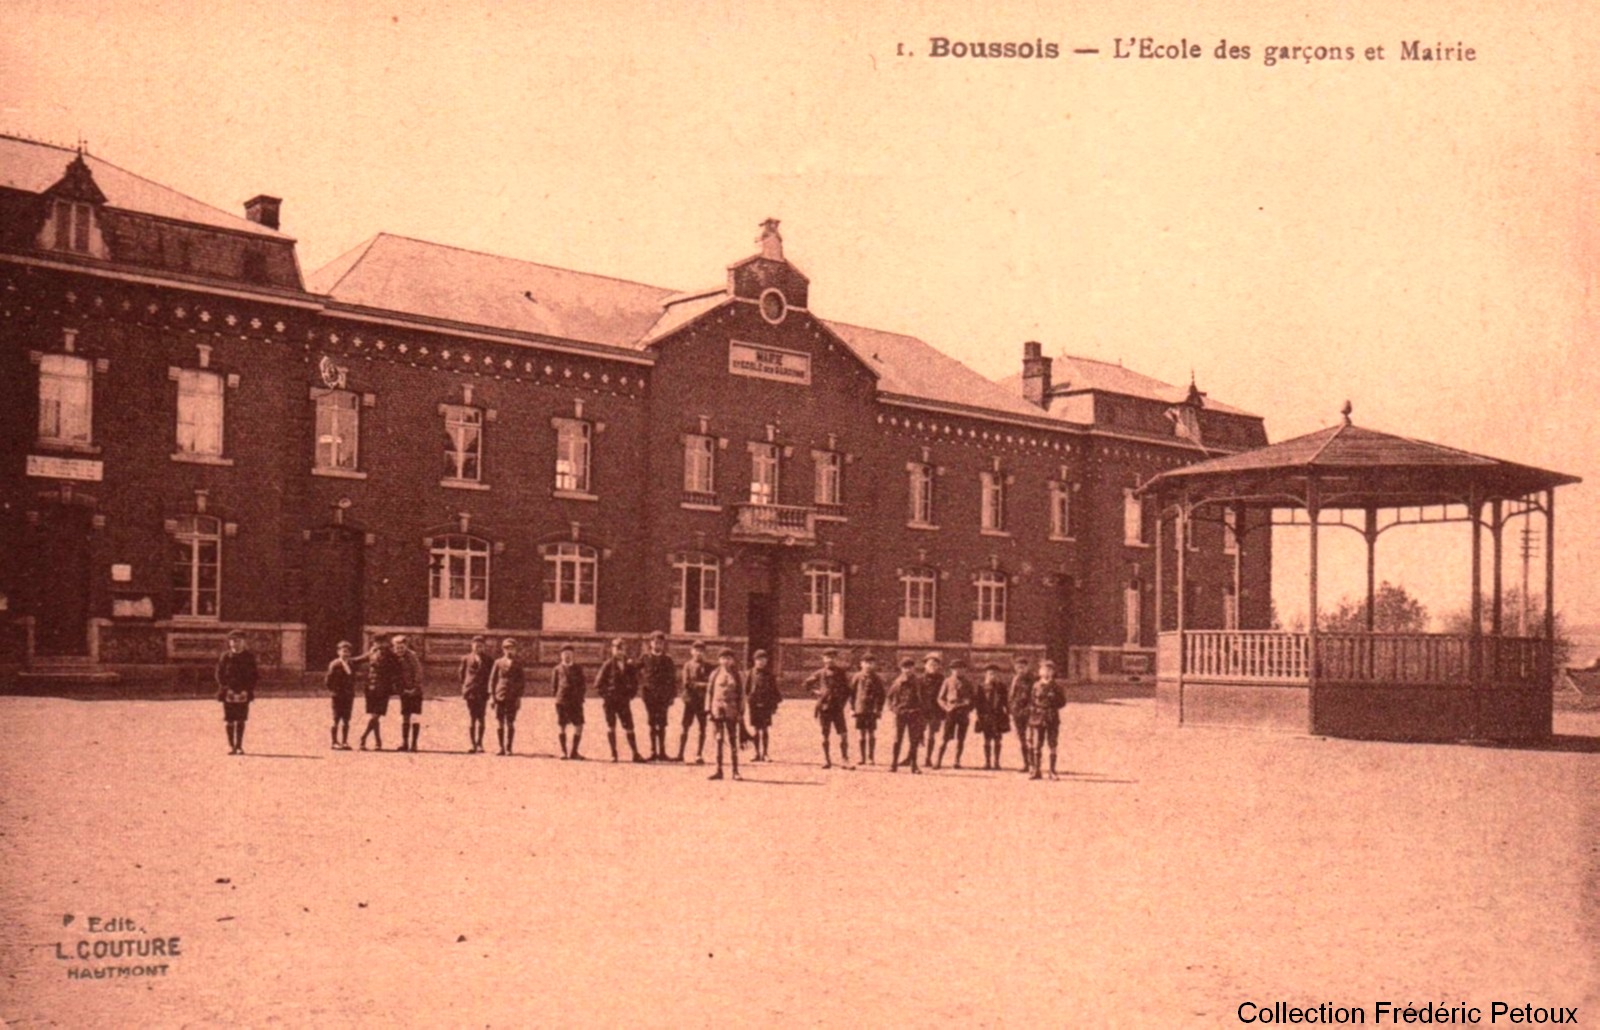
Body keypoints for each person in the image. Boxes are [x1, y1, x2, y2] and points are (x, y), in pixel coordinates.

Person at [595, 637, 647, 763]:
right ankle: (614, 754)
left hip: (624, 701)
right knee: (611, 726)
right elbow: (598, 684)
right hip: (610, 702)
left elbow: (635, 682)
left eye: (622, 649)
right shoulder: (607, 664)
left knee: (629, 726)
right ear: (612, 650)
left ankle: (635, 753)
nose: (619, 652)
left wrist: (631, 694)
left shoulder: (629, 665)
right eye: (617, 649)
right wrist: (607, 696)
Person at [805, 649, 853, 769]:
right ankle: (826, 760)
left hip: (837, 708)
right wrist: (816, 693)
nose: (830, 660)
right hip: (825, 708)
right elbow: (806, 684)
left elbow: (848, 690)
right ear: (823, 659)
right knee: (824, 735)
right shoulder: (820, 673)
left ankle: (845, 760)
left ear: (836, 659)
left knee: (843, 734)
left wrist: (842, 702)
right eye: (827, 657)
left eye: (833, 657)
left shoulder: (841, 673)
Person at [216, 629, 258, 755]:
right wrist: (225, 688)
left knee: (241, 719)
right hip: (228, 692)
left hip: (243, 692)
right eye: (233, 641)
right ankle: (231, 745)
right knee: (229, 719)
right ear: (229, 643)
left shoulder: (249, 657)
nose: (235, 643)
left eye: (239, 641)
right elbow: (219, 674)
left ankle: (239, 746)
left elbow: (254, 676)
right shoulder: (225, 657)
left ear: (244, 642)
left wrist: (247, 690)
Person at [636, 631, 677, 761]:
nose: (657, 645)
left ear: (663, 644)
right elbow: (634, 671)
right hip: (649, 696)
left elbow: (673, 679)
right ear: (651, 643)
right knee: (652, 723)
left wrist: (672, 696)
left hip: (663, 697)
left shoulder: (668, 659)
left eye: (660, 642)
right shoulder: (645, 658)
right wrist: (642, 685)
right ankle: (653, 751)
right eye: (655, 642)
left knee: (663, 723)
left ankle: (663, 752)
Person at [706, 648, 744, 781]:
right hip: (717, 710)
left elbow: (741, 695)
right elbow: (709, 692)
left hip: (732, 710)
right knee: (718, 740)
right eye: (723, 658)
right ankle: (718, 770)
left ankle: (735, 771)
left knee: (733, 740)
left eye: (729, 658)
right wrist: (708, 710)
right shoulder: (715, 674)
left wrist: (741, 712)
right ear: (719, 660)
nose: (726, 661)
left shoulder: (737, 675)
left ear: (733, 660)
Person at [1029, 658, 1068, 781]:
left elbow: (1062, 702)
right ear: (1040, 672)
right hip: (1038, 717)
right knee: (1037, 744)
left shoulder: (1056, 687)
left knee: (1052, 743)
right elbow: (1032, 700)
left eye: (1049, 670)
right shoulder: (1036, 686)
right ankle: (1036, 770)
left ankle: (1052, 770)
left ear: (1053, 672)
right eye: (1044, 669)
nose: (1046, 672)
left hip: (1051, 716)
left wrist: (1052, 703)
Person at [324, 640, 367, 750]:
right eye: (343, 651)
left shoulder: (351, 663)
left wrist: (373, 650)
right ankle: (334, 741)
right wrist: (334, 691)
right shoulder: (335, 664)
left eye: (348, 652)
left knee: (346, 719)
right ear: (338, 652)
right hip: (338, 695)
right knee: (336, 719)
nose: (345, 654)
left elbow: (363, 659)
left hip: (349, 695)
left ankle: (344, 741)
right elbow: (328, 681)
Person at [359, 635, 400, 751]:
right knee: (374, 716)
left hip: (384, 689)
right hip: (371, 688)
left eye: (382, 642)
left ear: (386, 643)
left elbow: (397, 672)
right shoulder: (372, 652)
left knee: (376, 715)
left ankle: (365, 737)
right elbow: (359, 659)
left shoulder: (391, 656)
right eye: (377, 642)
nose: (380, 645)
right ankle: (377, 742)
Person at [935, 656, 976, 769]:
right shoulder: (947, 681)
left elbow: (973, 699)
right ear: (951, 670)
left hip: (963, 713)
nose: (958, 671)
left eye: (961, 668)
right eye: (955, 669)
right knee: (945, 737)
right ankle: (938, 761)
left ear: (965, 670)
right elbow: (940, 698)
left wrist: (968, 708)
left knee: (961, 738)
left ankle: (956, 761)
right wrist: (946, 707)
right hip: (951, 712)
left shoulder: (968, 683)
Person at [885, 656, 924, 774]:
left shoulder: (918, 682)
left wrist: (920, 711)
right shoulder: (897, 682)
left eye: (910, 667)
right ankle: (893, 764)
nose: (908, 670)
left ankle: (914, 765)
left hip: (914, 713)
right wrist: (893, 709)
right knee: (897, 739)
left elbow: (923, 698)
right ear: (901, 669)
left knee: (914, 740)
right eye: (905, 668)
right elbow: (889, 697)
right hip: (900, 714)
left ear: (914, 668)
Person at [675, 640, 712, 764]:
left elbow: (712, 684)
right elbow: (686, 683)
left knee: (702, 728)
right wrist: (703, 685)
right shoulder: (687, 665)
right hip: (690, 701)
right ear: (692, 652)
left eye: (701, 651)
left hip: (703, 702)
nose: (699, 653)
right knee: (685, 727)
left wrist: (700, 685)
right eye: (696, 650)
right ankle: (680, 753)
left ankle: (699, 754)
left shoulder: (709, 667)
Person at [489, 637, 526, 755]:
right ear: (503, 650)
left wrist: (519, 697)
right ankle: (501, 748)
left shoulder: (518, 663)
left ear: (515, 650)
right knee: (499, 722)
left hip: (513, 696)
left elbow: (522, 682)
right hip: (500, 695)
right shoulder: (498, 662)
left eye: (512, 648)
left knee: (510, 722)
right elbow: (492, 680)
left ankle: (509, 748)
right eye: (507, 648)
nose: (509, 651)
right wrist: (492, 696)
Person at [849, 652, 886, 766]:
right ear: (861, 664)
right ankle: (862, 757)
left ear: (874, 665)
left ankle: (871, 757)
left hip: (872, 710)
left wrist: (879, 709)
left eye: (871, 663)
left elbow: (882, 695)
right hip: (860, 708)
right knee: (861, 733)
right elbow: (852, 693)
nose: (868, 666)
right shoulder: (857, 677)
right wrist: (852, 708)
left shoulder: (877, 678)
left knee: (871, 733)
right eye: (866, 663)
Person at [552, 643, 588, 760]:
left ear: (573, 655)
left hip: (576, 701)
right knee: (562, 725)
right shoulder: (557, 669)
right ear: (561, 655)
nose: (567, 656)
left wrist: (580, 697)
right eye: (565, 654)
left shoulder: (578, 668)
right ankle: (563, 751)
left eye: (569, 654)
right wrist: (558, 698)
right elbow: (554, 686)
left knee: (579, 725)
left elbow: (583, 684)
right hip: (562, 701)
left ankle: (574, 752)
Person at [458, 635, 493, 753]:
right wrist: (467, 686)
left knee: (481, 717)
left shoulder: (489, 660)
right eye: (476, 645)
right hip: (471, 692)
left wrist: (489, 690)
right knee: (472, 718)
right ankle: (472, 744)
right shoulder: (466, 659)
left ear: (484, 647)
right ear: (472, 646)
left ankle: (480, 743)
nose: (478, 648)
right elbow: (462, 675)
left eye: (481, 646)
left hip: (483, 692)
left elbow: (491, 677)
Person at [745, 649, 780, 762]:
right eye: (758, 659)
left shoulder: (770, 675)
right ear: (754, 661)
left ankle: (765, 753)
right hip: (754, 705)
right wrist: (749, 700)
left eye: (763, 659)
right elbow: (746, 689)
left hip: (766, 705)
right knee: (755, 730)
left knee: (764, 729)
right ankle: (756, 753)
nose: (761, 662)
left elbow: (775, 691)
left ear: (766, 661)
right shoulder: (750, 673)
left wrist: (774, 706)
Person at [393, 634, 426, 753]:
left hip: (415, 691)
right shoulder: (395, 657)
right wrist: (401, 689)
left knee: (414, 717)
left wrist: (414, 688)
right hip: (404, 691)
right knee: (405, 717)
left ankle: (414, 744)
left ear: (405, 646)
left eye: (401, 647)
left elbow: (418, 673)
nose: (399, 650)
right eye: (397, 648)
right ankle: (404, 743)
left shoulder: (412, 656)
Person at [974, 663, 1009, 770]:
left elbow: (1006, 701)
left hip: (998, 715)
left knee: (998, 739)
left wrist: (1007, 714)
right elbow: (978, 702)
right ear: (986, 674)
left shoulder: (1002, 687)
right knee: (987, 739)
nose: (992, 676)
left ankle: (997, 762)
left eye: (995, 674)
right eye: (990, 673)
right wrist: (979, 716)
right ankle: (987, 762)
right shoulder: (981, 686)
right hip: (986, 716)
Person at [1007, 655, 1036, 775]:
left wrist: (1030, 708)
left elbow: (1034, 696)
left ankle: (1033, 765)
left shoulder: (1032, 680)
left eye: (1023, 667)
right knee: (1021, 739)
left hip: (1028, 712)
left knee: (1030, 739)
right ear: (1015, 668)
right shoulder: (1015, 679)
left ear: (1027, 667)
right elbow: (1011, 696)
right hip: (1016, 712)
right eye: (1018, 667)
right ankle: (1026, 764)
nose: (1020, 669)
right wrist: (1011, 709)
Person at [916, 652, 945, 768]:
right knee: (916, 734)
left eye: (935, 664)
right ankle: (911, 757)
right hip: (921, 711)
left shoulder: (942, 680)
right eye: (930, 664)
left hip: (935, 711)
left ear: (939, 667)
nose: (933, 667)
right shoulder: (919, 680)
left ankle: (928, 758)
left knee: (931, 735)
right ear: (925, 666)